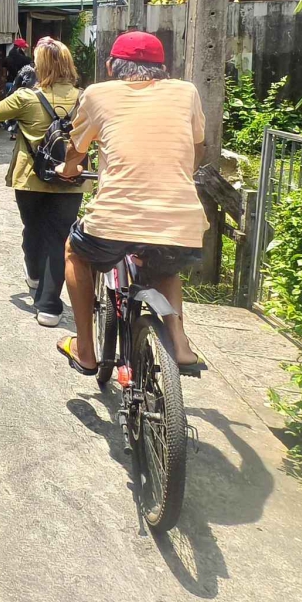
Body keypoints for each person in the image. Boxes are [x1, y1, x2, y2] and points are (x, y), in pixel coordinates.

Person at [53, 30, 209, 373]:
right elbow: (197, 147)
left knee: (74, 252)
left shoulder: (97, 95)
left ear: (112, 66)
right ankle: (180, 345)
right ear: (163, 69)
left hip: (114, 221)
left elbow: (76, 151)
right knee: (164, 264)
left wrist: (67, 170)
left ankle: (85, 349)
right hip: (181, 220)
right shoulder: (186, 93)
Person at [0, 38, 86, 327]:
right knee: (60, 237)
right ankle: (49, 307)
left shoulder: (26, 97)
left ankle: (35, 278)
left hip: (31, 179)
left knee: (33, 229)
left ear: (41, 66)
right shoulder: (84, 98)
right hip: (71, 178)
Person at [1, 37, 34, 140]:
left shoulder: (7, 59)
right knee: (21, 109)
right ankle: (21, 130)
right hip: (22, 87)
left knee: (11, 109)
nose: (25, 49)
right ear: (20, 48)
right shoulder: (26, 60)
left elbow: (3, 73)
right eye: (24, 48)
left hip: (9, 84)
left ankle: (12, 132)